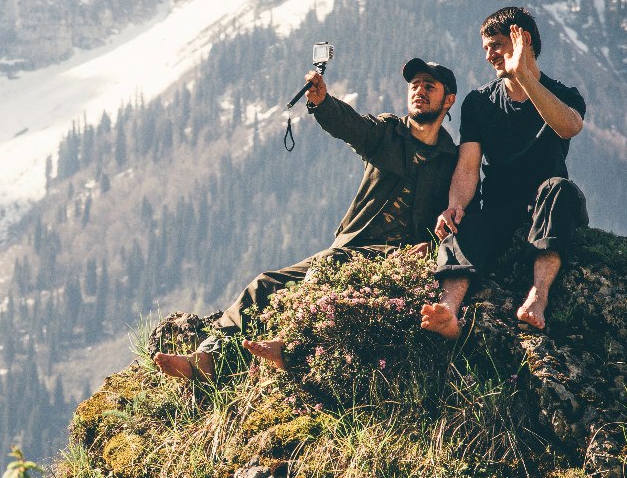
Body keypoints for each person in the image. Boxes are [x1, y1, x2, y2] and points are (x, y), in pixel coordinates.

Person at [154, 57, 460, 380]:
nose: (419, 91)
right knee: (265, 284)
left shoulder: (451, 161)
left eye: (430, 86)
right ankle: (206, 357)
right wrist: (322, 103)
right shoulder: (387, 133)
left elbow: (461, 214)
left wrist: (430, 245)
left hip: (398, 261)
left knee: (325, 289)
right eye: (414, 85)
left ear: (448, 99)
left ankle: (285, 348)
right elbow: (351, 126)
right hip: (353, 248)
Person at [420, 6, 588, 340]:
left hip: (546, 206)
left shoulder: (565, 95)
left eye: (496, 45)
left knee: (560, 188)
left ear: (523, 40)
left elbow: (569, 127)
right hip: (500, 208)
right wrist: (456, 205)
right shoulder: (479, 102)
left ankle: (537, 299)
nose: (490, 56)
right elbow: (468, 167)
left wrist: (524, 75)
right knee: (464, 223)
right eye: (485, 48)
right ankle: (449, 312)